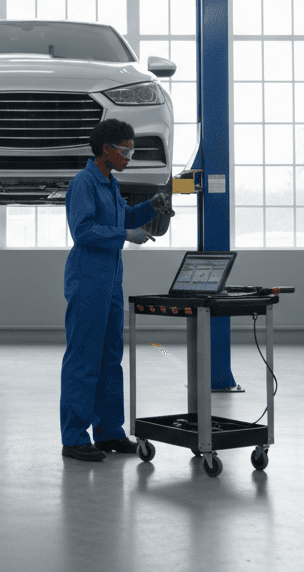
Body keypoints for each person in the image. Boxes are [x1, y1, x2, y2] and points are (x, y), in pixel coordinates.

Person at [60, 118, 175, 461]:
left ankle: (109, 432)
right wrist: (125, 235)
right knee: (84, 359)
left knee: (110, 358)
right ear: (106, 149)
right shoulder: (84, 183)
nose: (129, 157)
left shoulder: (109, 183)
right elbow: (83, 230)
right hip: (88, 279)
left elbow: (124, 217)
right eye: (125, 151)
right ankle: (74, 439)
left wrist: (151, 206)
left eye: (131, 151)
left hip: (110, 281)